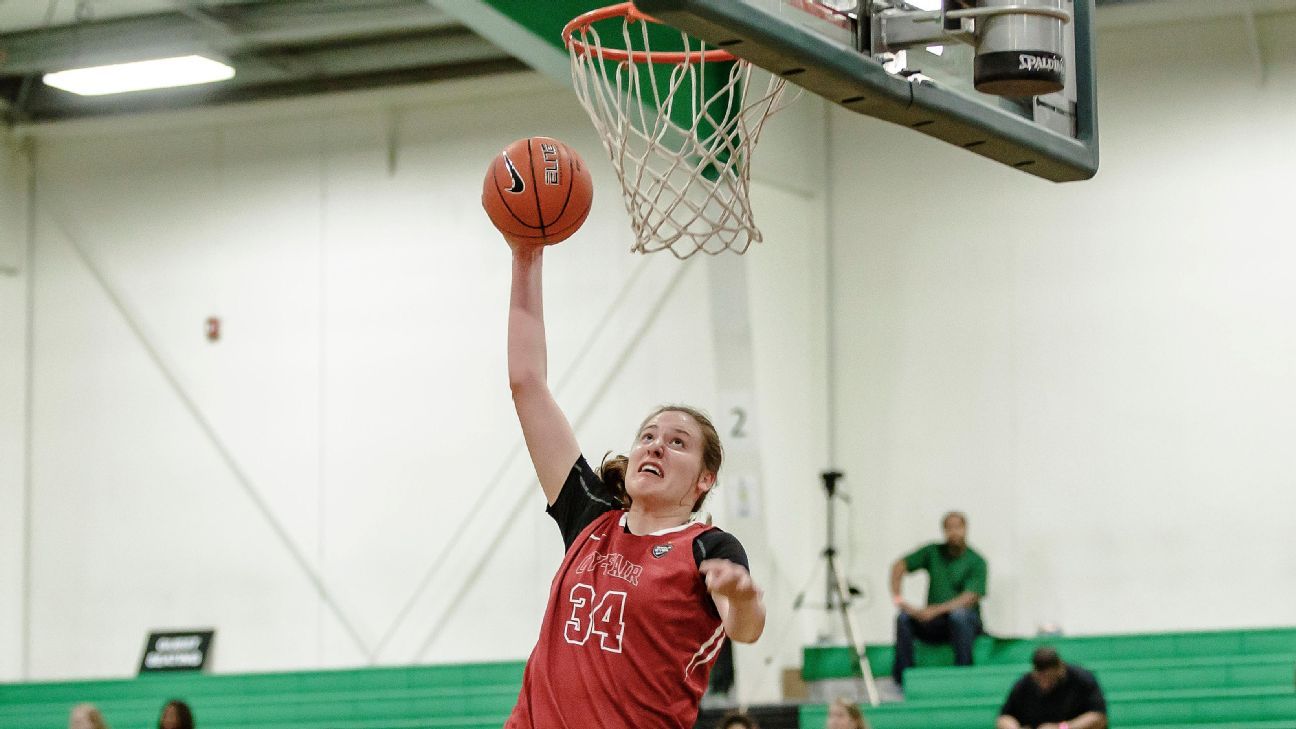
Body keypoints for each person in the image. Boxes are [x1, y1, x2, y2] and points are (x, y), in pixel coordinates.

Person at [502, 238, 766, 729]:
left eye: (678, 442)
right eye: (648, 435)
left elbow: (743, 629)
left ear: (705, 479)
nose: (656, 446)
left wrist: (746, 598)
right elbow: (526, 383)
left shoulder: (708, 547)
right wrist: (525, 256)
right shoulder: (590, 516)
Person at [889, 511, 987, 686]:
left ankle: (964, 676)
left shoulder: (977, 561)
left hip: (965, 624)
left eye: (958, 527)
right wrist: (900, 601)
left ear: (965, 529)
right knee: (903, 619)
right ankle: (903, 679)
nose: (954, 532)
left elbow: (969, 597)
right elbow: (899, 566)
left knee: (959, 616)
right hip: (935, 623)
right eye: (949, 528)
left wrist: (934, 610)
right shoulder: (933, 552)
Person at [996, 646, 1108, 729]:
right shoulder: (1025, 683)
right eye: (1040, 679)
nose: (1044, 684)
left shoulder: (1082, 679)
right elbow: (1004, 717)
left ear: (1060, 669)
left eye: (1049, 679)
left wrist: (1062, 727)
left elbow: (1099, 717)